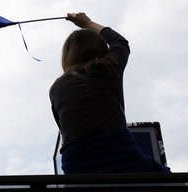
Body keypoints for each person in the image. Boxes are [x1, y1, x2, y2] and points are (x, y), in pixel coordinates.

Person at [50, 12, 168, 174]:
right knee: (166, 179)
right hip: (117, 151)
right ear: (101, 50)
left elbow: (65, 130)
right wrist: (88, 23)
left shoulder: (56, 87)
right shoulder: (107, 68)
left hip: (75, 163)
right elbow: (119, 42)